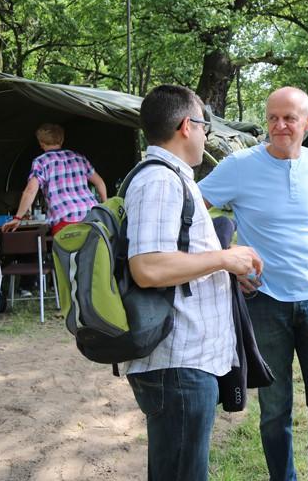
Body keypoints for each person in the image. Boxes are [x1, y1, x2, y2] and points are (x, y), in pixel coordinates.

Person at [198, 86, 308, 481]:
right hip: (264, 301)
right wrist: (228, 261)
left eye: (288, 118)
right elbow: (195, 211)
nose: (279, 126)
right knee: (274, 410)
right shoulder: (239, 165)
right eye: (272, 118)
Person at [124, 84, 264, 481]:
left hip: (186, 360)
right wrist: (223, 257)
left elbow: (175, 257)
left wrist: (228, 271)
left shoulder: (173, 180)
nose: (206, 134)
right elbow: (147, 268)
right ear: (187, 126)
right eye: (203, 125)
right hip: (177, 362)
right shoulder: (160, 182)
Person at [2, 123, 107, 235]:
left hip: (65, 218)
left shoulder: (41, 161)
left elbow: (30, 191)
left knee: (65, 251)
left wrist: (17, 218)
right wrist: (105, 206)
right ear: (61, 140)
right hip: (91, 215)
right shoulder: (78, 157)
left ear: (41, 143)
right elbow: (100, 183)